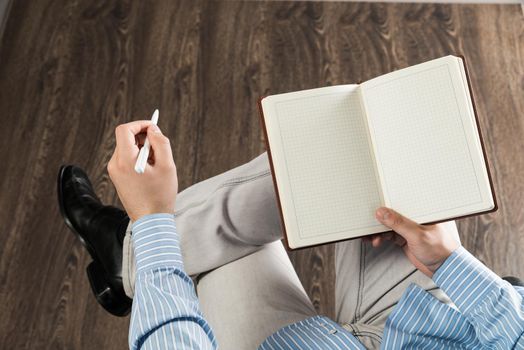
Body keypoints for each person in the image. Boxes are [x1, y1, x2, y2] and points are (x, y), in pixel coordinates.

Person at [58, 120, 524, 349]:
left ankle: (128, 254)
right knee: (358, 160)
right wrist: (448, 261)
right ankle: (128, 257)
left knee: (215, 248)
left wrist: (153, 219)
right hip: (443, 327)